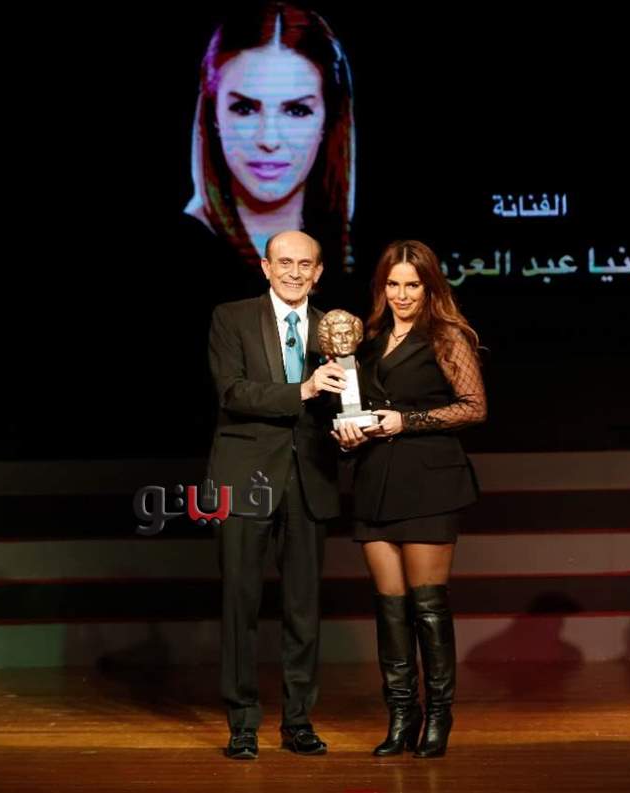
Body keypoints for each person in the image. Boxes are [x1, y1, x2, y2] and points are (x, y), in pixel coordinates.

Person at [333, 239, 487, 758]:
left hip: (428, 484)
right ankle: (402, 715)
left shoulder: (446, 336)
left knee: (428, 608)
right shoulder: (367, 340)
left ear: (429, 287)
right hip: (374, 481)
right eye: (393, 284)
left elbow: (473, 407)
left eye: (412, 285)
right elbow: (356, 407)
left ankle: (439, 716)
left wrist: (408, 420)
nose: (402, 294)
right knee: (390, 610)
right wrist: (348, 434)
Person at [206, 229, 349, 760]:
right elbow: (232, 390)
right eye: (284, 262)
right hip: (245, 478)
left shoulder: (336, 329)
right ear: (266, 268)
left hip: (310, 480)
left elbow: (344, 404)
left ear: (318, 272)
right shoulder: (232, 317)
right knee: (240, 603)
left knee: (303, 609)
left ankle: (298, 721)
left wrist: (352, 425)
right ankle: (242, 722)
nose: (294, 272)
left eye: (304, 264)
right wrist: (303, 390)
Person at [183, 2, 355, 279]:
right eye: (244, 109)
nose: (269, 139)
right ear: (213, 115)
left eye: (297, 110)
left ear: (329, 119)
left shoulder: (367, 255)